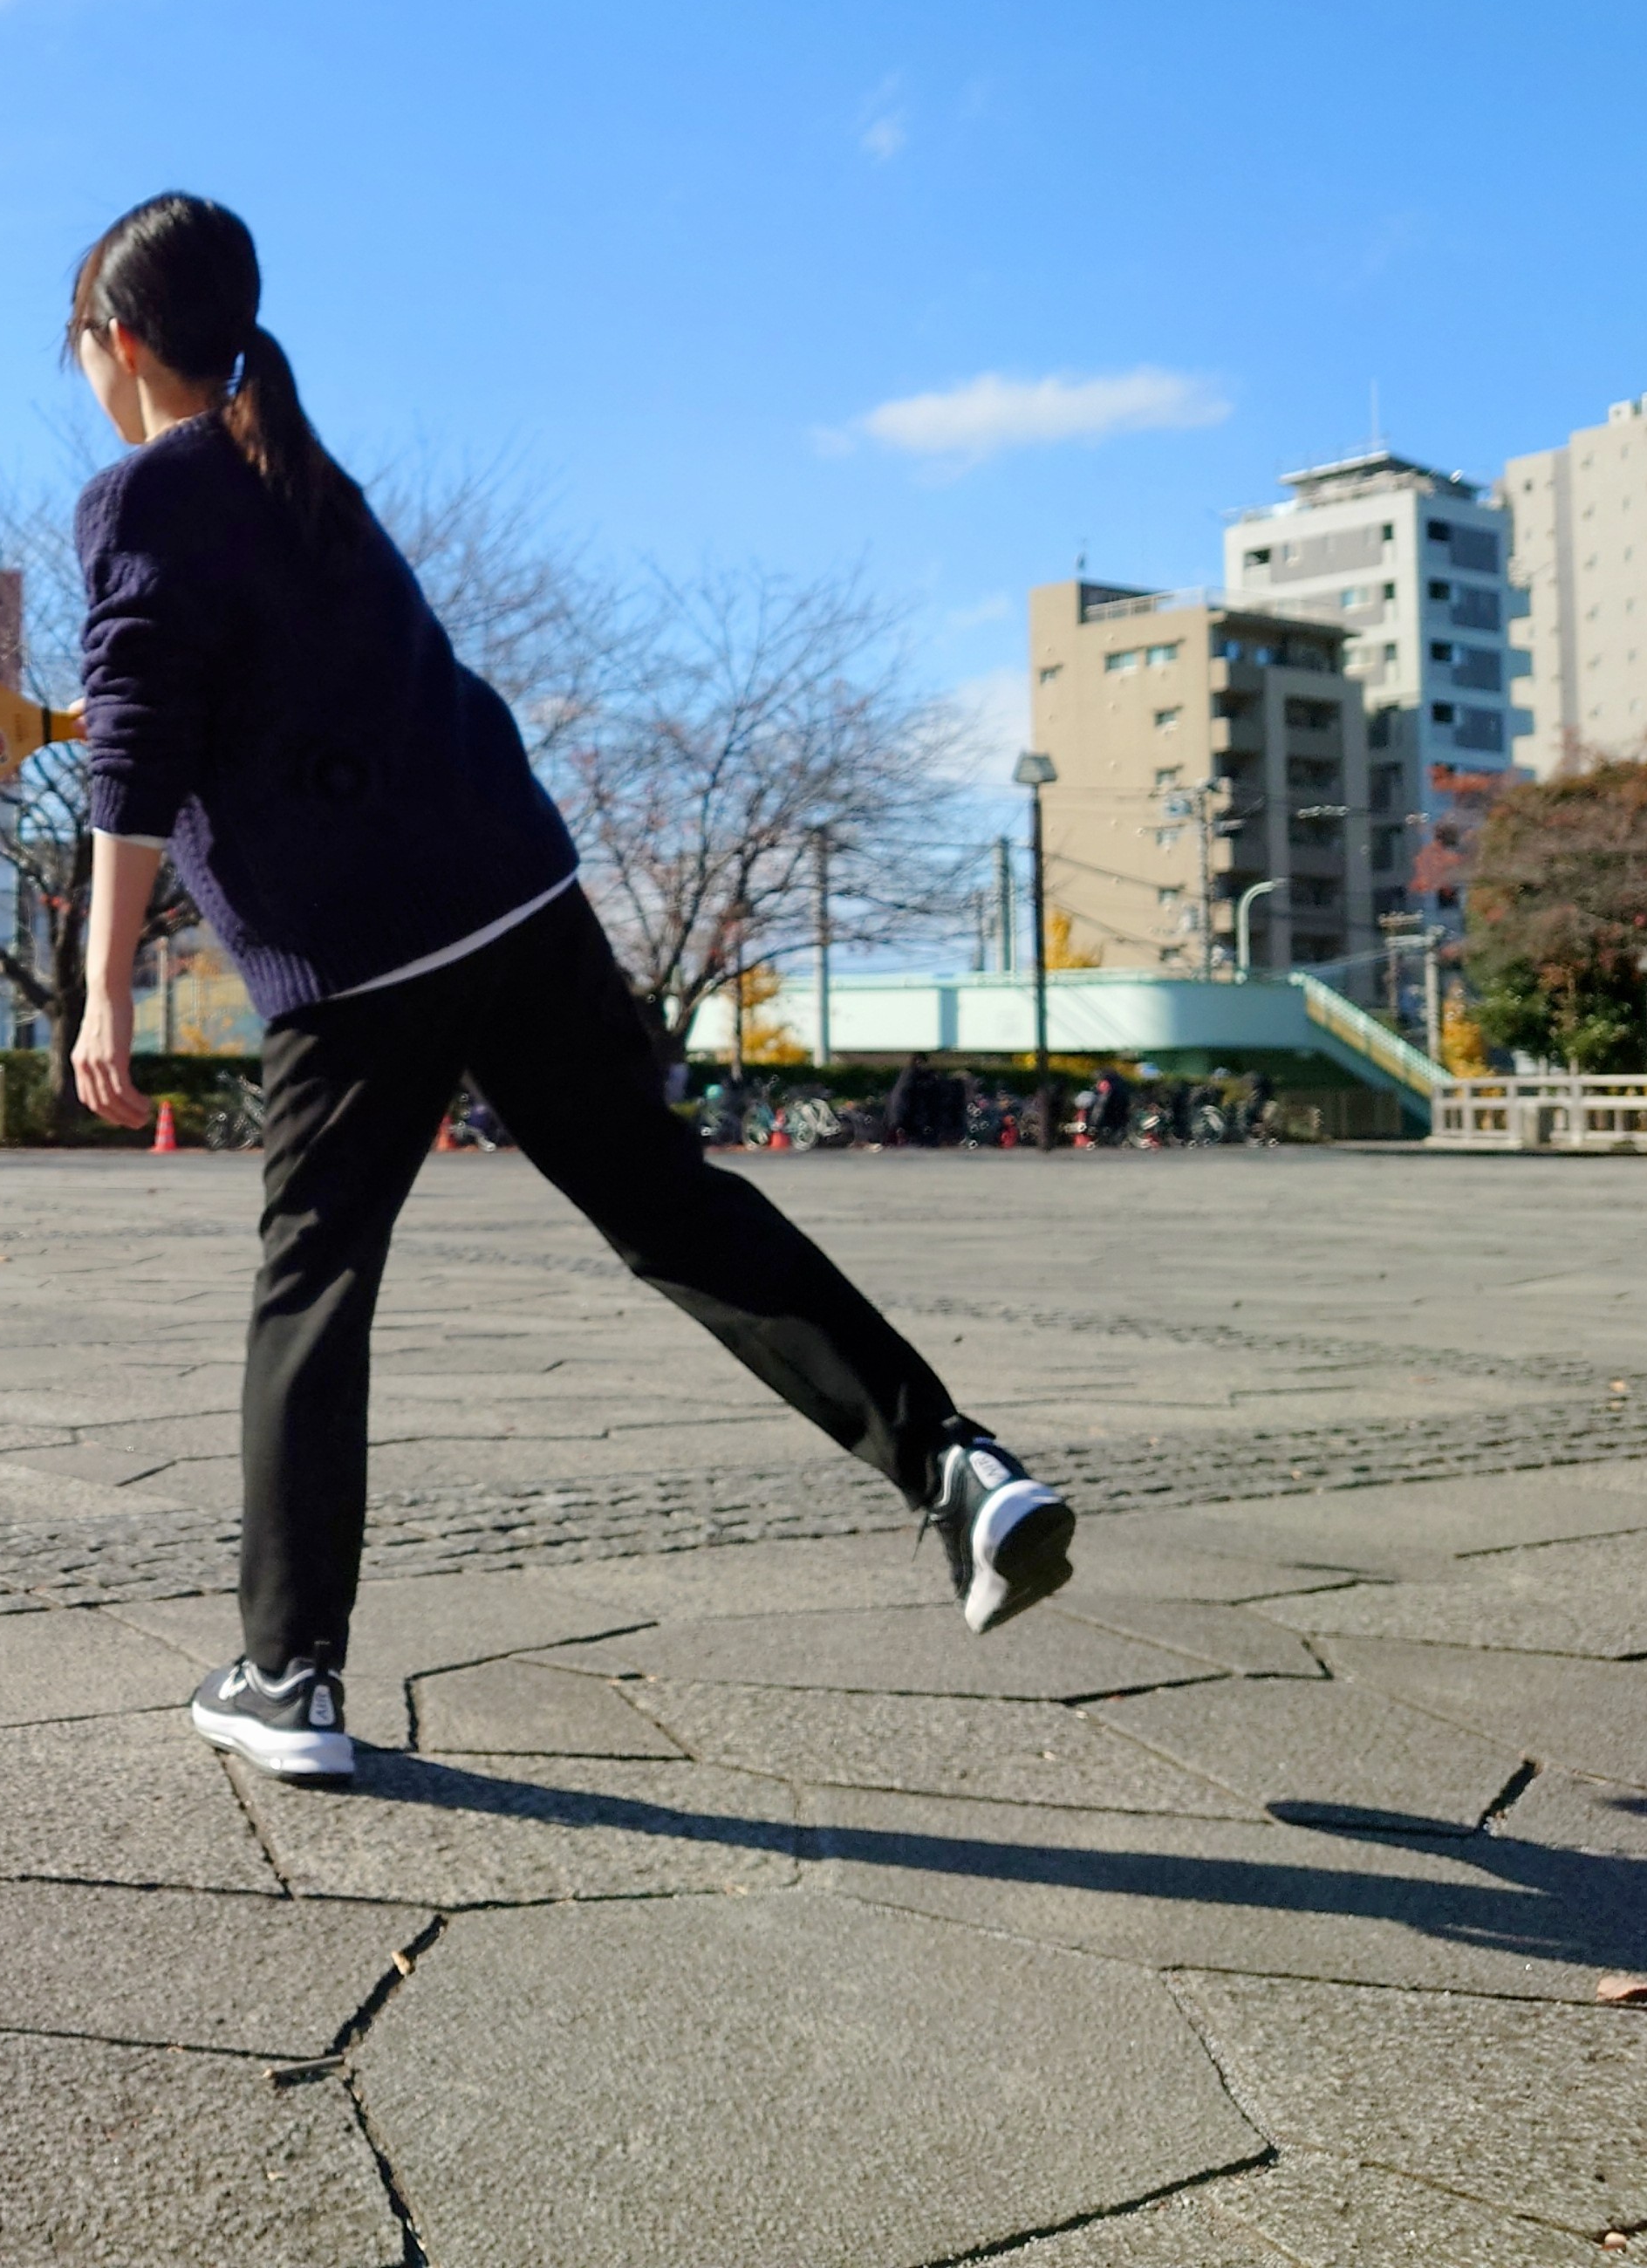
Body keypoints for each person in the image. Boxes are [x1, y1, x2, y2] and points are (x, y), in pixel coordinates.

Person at [57, 194, 1075, 1788]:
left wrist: (102, 989)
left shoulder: (140, 492)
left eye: (86, 356)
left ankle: (289, 1672)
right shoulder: (304, 477)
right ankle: (953, 1462)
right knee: (669, 1205)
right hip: (517, 899)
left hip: (364, 958)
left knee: (312, 1288)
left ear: (118, 343)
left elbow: (135, 751)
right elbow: (230, 694)